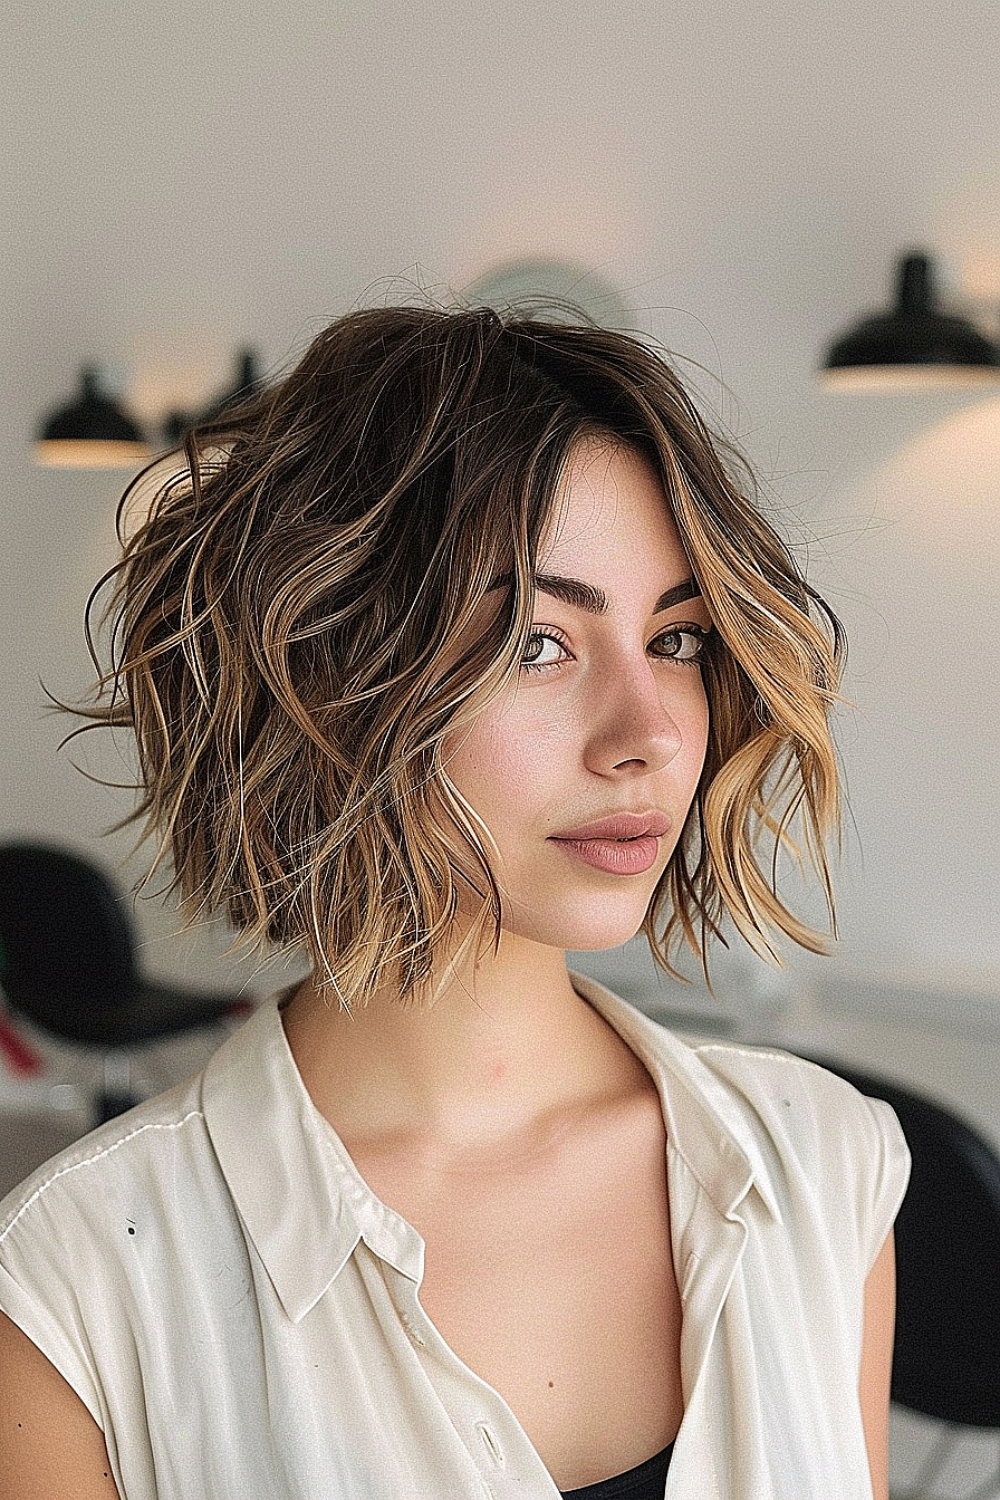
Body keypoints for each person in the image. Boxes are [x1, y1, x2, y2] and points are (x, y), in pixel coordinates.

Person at [0, 307, 909, 1499]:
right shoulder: (76, 1290)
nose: (647, 736)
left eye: (678, 639)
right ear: (328, 679)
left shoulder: (820, 1168)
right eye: (536, 643)